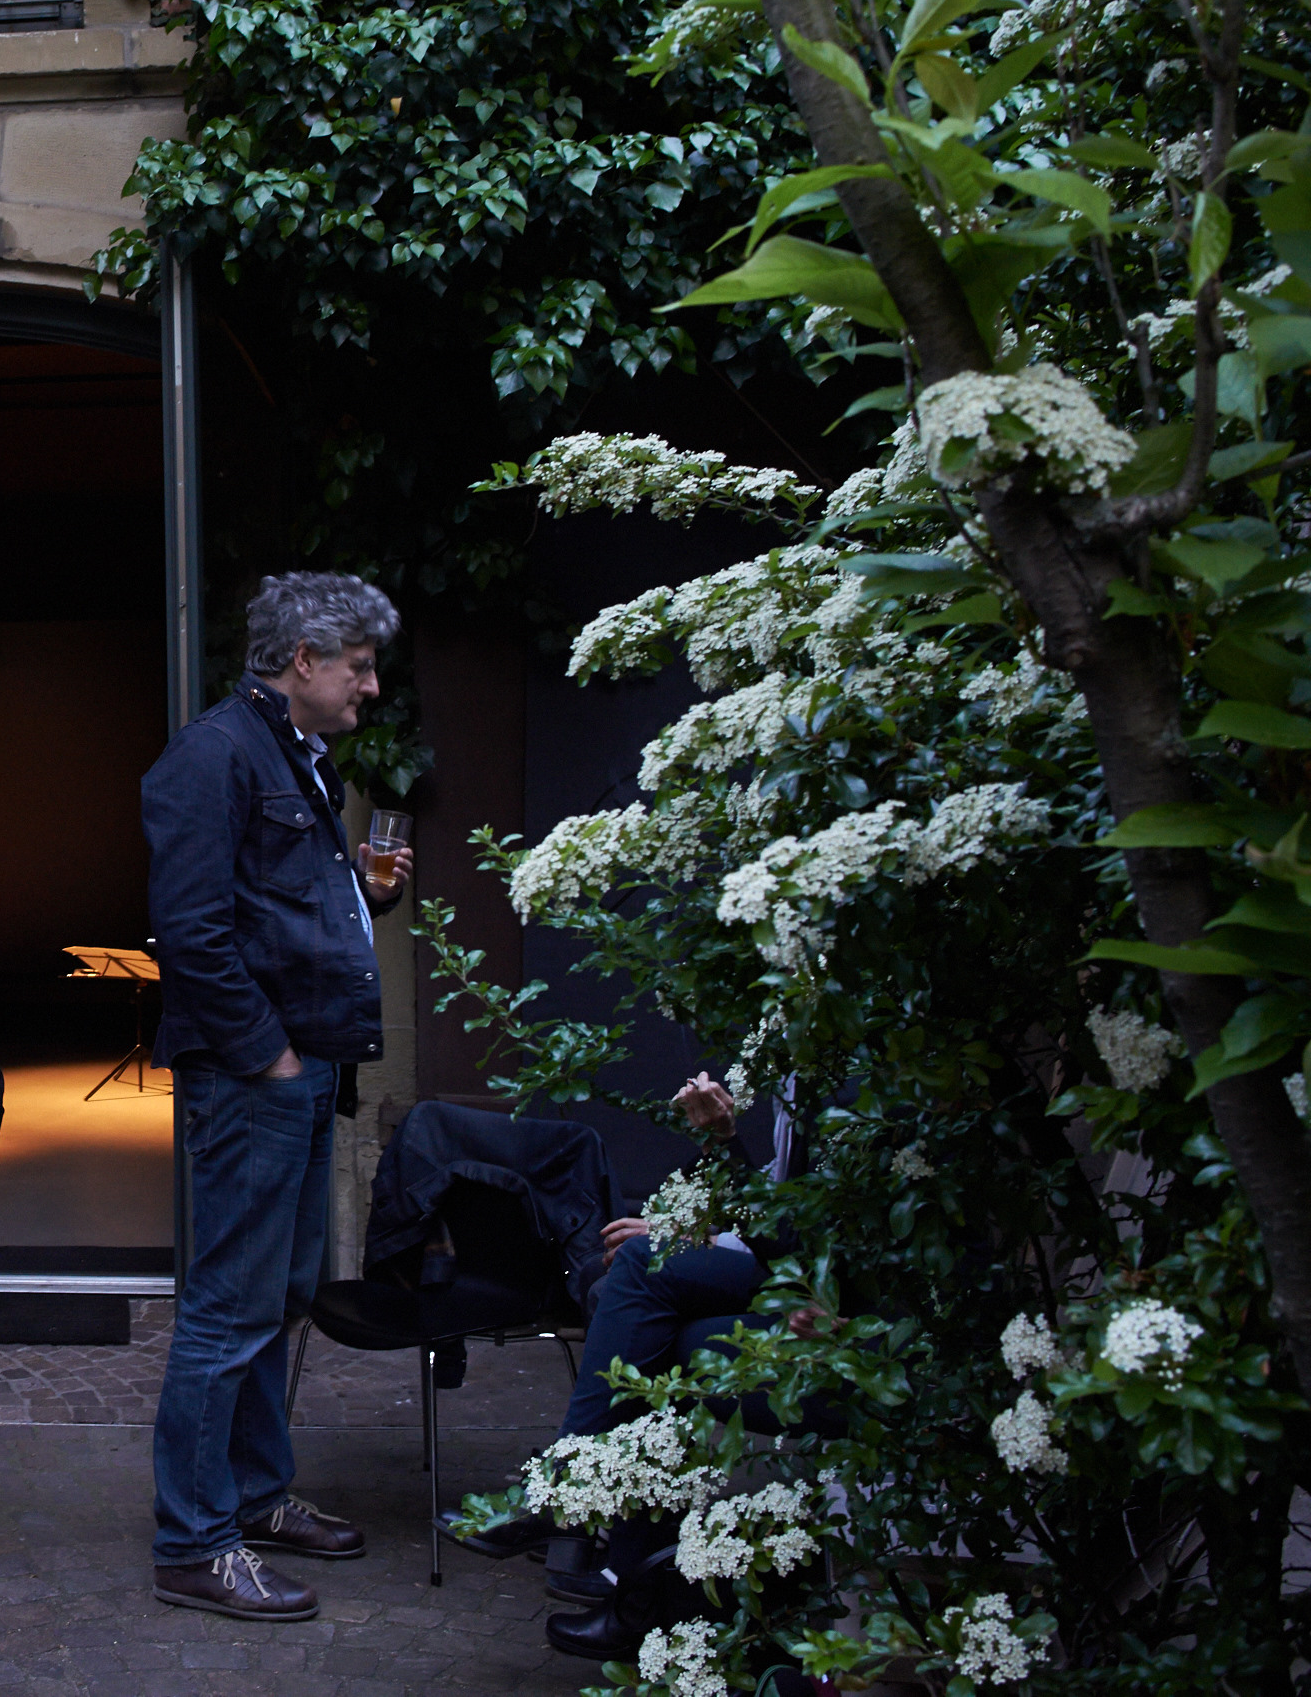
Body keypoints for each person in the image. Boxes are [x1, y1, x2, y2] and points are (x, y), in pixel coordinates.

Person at [140, 571, 412, 1622]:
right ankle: (192, 1542)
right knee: (227, 1307)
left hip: (298, 1071)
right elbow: (191, 935)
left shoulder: (292, 751)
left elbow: (274, 907)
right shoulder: (211, 756)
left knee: (280, 1297)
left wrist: (363, 894)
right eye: (359, 667)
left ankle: (254, 1496)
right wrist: (270, 1059)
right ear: (303, 660)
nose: (370, 686)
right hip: (255, 1077)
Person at [456, 1069, 818, 1658]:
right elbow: (783, 1208)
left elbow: (801, 1243)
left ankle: (573, 1501)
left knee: (644, 1281)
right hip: (782, 1261)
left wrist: (721, 1154)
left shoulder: (843, 1076)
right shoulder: (794, 1068)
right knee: (621, 1278)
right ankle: (631, 1578)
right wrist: (693, 1229)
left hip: (823, 1295)